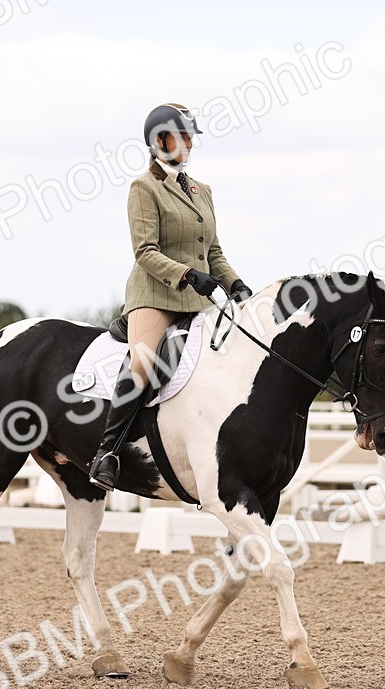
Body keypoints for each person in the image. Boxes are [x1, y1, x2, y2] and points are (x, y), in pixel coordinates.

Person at [88, 103, 253, 491]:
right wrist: (187, 275)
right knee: (143, 364)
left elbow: (213, 253)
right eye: (183, 137)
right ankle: (106, 454)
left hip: (198, 300)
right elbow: (145, 251)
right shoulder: (143, 189)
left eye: (191, 137)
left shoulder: (202, 191)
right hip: (155, 297)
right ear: (160, 141)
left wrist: (236, 285)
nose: (191, 144)